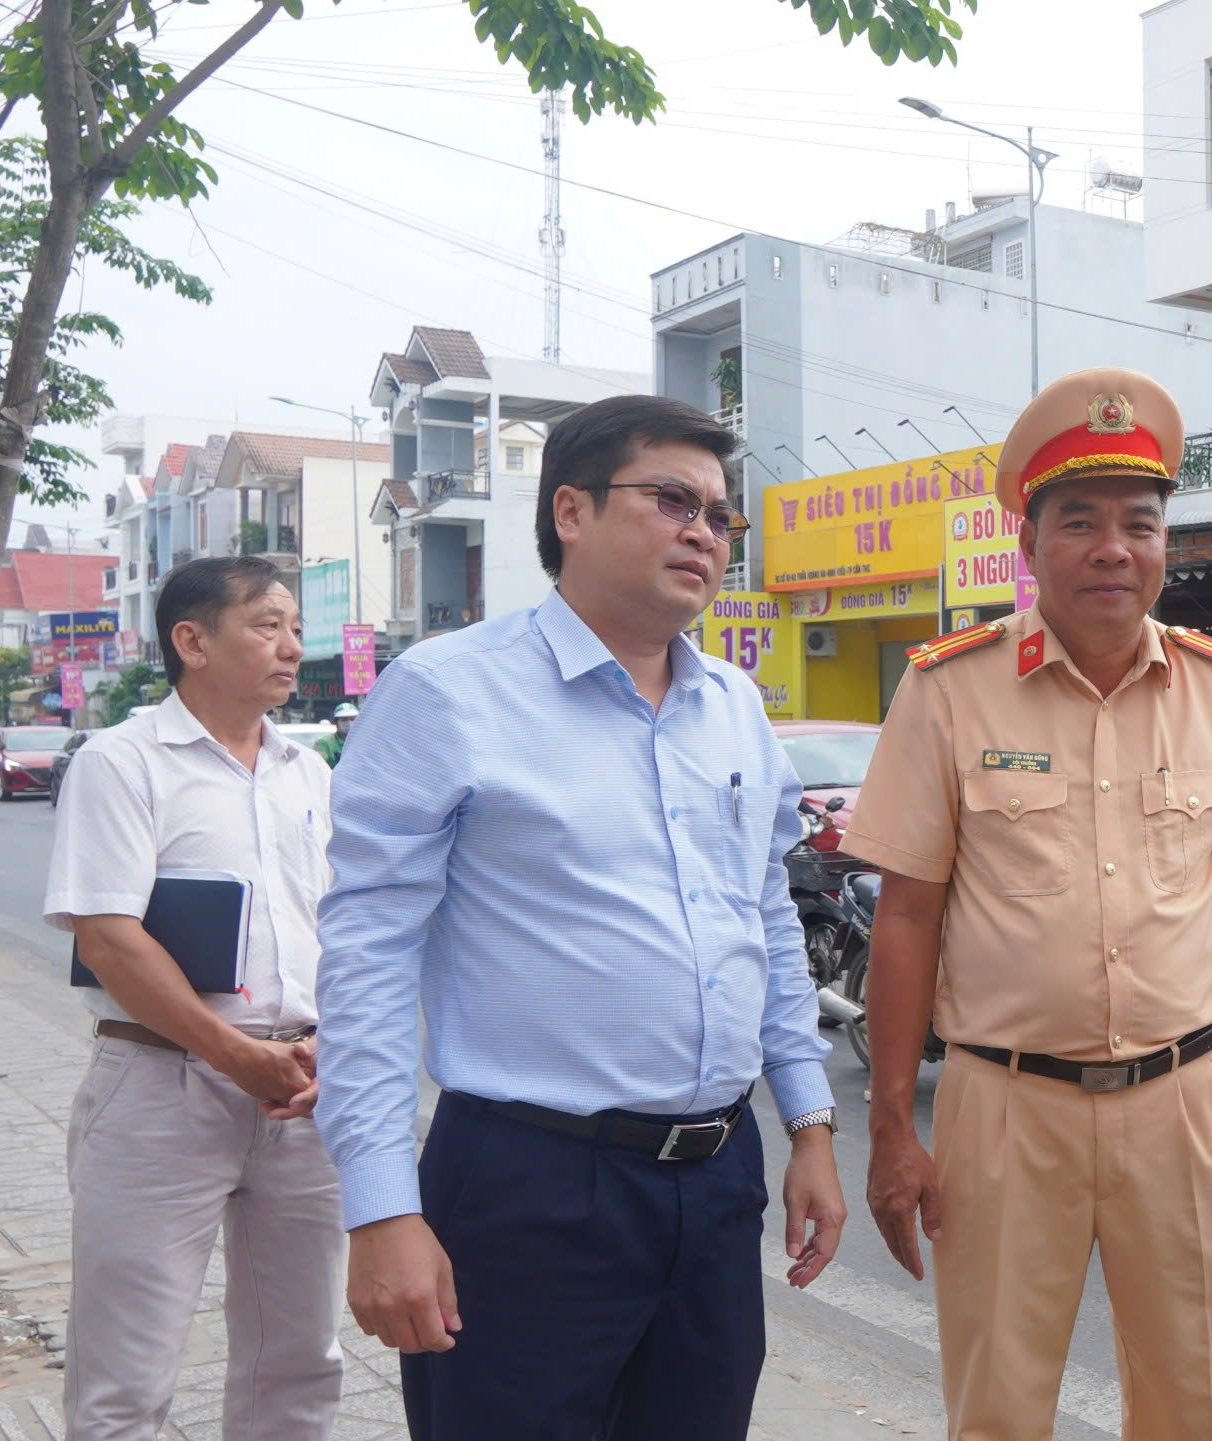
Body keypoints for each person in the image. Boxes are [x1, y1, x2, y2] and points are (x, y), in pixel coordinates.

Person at [313, 394, 846, 1439]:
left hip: (715, 1178)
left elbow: (765, 922)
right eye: (671, 499)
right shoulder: (448, 693)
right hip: (530, 1185)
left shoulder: (733, 705)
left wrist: (811, 1123)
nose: (704, 532)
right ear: (570, 510)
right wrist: (381, 1208)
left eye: (720, 515)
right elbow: (367, 959)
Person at [840, 367, 1212, 1441]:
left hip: (1189, 1098)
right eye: (1081, 522)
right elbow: (906, 917)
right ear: (1031, 541)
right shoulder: (948, 690)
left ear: (1163, 546)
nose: (1114, 548)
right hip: (1003, 1106)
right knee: (999, 1409)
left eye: (1139, 524)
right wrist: (889, 1126)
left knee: (1190, 1406)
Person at [40, 555, 343, 1440]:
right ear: (192, 640)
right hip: (159, 1089)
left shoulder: (309, 775)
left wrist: (333, 1047)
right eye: (268, 625)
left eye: (295, 626)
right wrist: (236, 1055)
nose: (293, 646)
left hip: (303, 1093)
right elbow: (109, 937)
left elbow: (344, 932)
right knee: (126, 1376)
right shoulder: (122, 762)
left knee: (300, 1360)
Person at [313, 702, 357, 766]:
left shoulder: (364, 742)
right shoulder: (324, 743)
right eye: (344, 719)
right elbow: (318, 766)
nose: (349, 723)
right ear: (335, 722)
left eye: (353, 719)